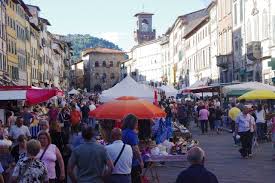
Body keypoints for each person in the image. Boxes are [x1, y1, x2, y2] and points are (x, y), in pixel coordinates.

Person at [122, 114, 144, 183]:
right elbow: (135, 149)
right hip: (133, 162)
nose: (137, 124)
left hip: (124, 161)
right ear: (133, 123)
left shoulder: (123, 132)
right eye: (136, 122)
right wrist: (141, 161)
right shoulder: (131, 134)